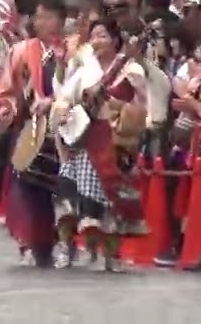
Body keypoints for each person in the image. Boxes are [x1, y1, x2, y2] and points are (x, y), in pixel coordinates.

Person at [49, 19, 149, 271]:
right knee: (67, 196)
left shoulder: (132, 71)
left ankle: (111, 254)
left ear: (115, 40)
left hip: (114, 142)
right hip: (82, 141)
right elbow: (64, 98)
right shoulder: (84, 70)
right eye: (93, 36)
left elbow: (142, 107)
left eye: (103, 35)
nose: (97, 41)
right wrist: (62, 112)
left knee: (110, 201)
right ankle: (65, 247)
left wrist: (116, 106)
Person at [0, 0, 68, 268]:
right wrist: (8, 108)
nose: (42, 22)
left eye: (49, 16)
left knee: (61, 191)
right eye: (39, 16)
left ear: (61, 20)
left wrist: (56, 103)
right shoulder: (21, 51)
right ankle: (30, 242)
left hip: (63, 130)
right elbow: (5, 91)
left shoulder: (72, 51)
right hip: (29, 127)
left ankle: (60, 241)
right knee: (24, 189)